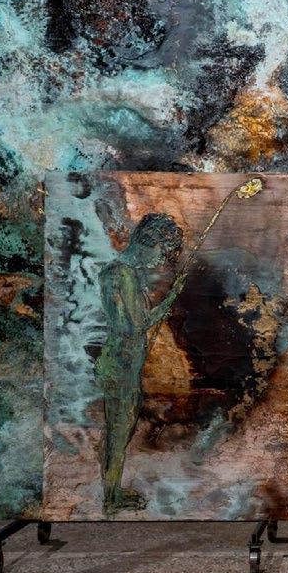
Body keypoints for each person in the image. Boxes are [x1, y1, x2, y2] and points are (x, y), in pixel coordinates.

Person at [95, 212, 187, 515]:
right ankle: (111, 498)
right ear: (148, 242)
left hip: (119, 363)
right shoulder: (124, 275)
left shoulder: (113, 272)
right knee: (119, 433)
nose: (160, 260)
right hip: (121, 366)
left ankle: (111, 493)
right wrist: (171, 298)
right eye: (161, 252)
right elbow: (136, 325)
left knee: (118, 432)